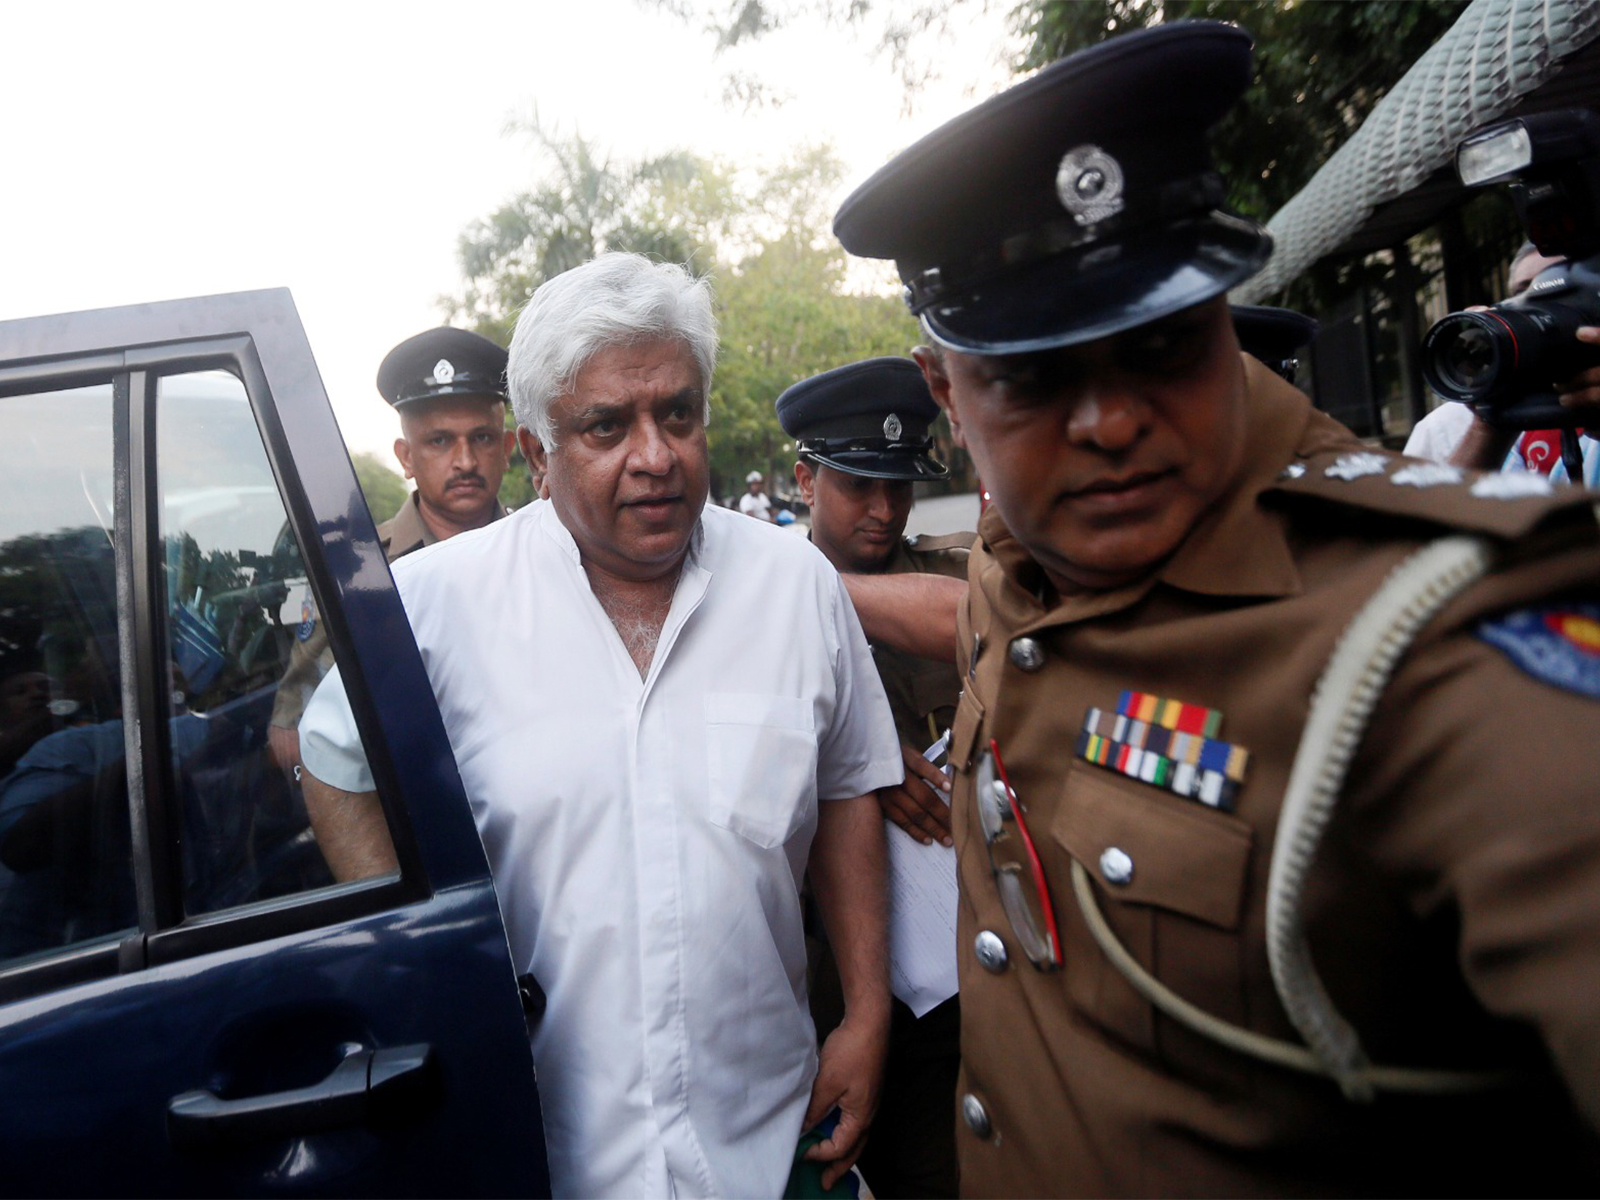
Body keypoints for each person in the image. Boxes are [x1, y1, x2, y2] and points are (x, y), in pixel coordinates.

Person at [831, 21, 1600, 1195]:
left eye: (1159, 345)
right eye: (1032, 375)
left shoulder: (1426, 635)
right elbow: (984, 621)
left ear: (1221, 320)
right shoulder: (1023, 547)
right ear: (943, 387)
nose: (1108, 422)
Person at [296, 253, 899, 1198]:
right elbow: (331, 758)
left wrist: (865, 1011)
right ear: (536, 455)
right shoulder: (432, 604)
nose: (654, 455)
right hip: (547, 1153)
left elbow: (849, 784)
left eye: (678, 414)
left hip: (771, 1140)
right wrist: (425, 964)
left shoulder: (797, 586)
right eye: (607, 426)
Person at [777, 357, 968, 1199]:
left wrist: (814, 588)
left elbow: (980, 622)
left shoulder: (944, 573)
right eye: (860, 485)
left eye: (901, 486)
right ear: (804, 479)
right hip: (830, 972)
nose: (886, 509)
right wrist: (864, 764)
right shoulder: (740, 613)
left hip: (963, 961)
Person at [267, 327, 514, 770]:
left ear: (507, 447)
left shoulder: (547, 550)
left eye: (481, 437)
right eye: (439, 441)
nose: (465, 461)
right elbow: (294, 731)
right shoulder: (355, 569)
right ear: (405, 457)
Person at [1404, 243, 1600, 485]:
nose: (1544, 309)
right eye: (1528, 293)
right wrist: (1489, 419)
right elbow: (1448, 513)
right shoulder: (1454, 422)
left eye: (1567, 295)